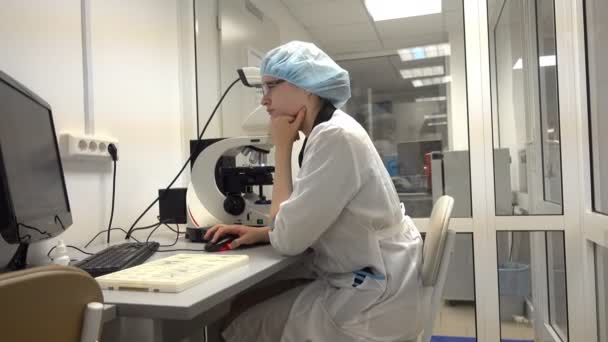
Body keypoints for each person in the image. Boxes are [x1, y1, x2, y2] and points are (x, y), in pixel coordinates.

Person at [204, 41, 423, 342]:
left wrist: (281, 147)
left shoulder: (334, 137)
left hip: (370, 299)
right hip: (370, 276)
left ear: (305, 85)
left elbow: (289, 241)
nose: (264, 101)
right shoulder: (330, 131)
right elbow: (298, 224)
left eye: (270, 87)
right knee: (246, 302)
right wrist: (262, 233)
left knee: (235, 321)